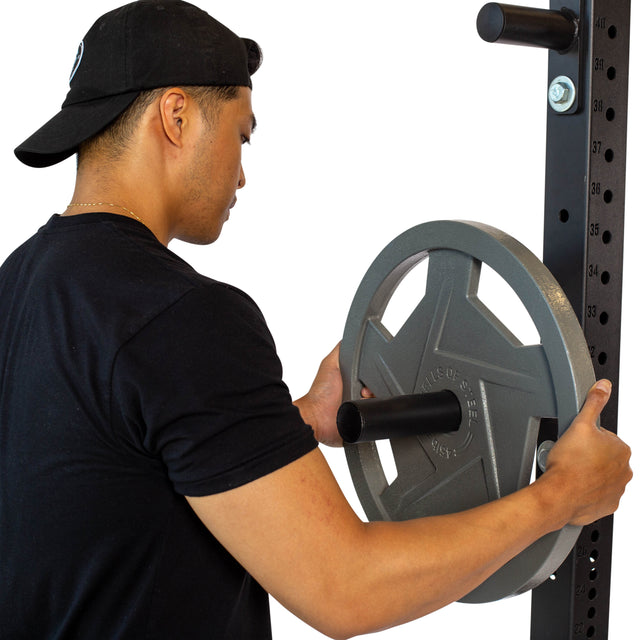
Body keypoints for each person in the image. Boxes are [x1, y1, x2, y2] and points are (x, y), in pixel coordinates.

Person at [0, 1, 632, 638]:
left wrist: (295, 420)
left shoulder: (19, 284)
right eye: (241, 135)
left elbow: (99, 465)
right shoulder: (181, 315)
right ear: (176, 115)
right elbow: (344, 588)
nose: (242, 173)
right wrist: (560, 496)